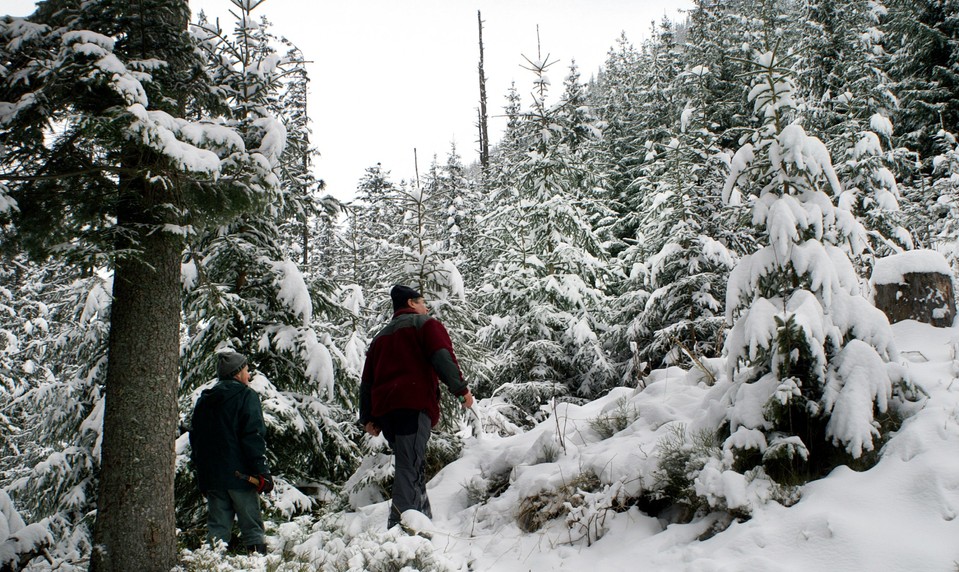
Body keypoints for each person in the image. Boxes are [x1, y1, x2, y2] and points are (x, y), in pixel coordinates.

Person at [360, 284, 474, 529]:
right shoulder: (425, 325)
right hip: (413, 404)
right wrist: (461, 389)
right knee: (409, 466)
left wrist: (368, 416)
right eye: (422, 302)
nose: (426, 307)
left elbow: (367, 379)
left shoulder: (380, 337)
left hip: (386, 412)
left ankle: (423, 522)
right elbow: (442, 356)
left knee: (411, 463)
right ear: (411, 303)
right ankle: (400, 529)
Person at [190, 350, 273, 554]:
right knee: (252, 526)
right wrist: (262, 471)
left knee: (217, 530)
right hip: (241, 477)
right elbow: (252, 436)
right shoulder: (246, 396)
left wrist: (203, 477)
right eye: (246, 370)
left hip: (213, 477)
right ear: (237, 373)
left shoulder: (205, 400)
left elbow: (197, 439)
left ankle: (211, 564)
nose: (249, 375)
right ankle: (258, 564)